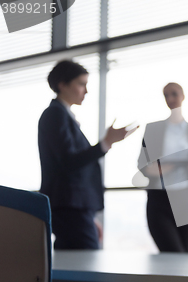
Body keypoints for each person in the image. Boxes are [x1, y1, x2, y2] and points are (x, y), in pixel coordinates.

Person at [38, 60, 138, 249]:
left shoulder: (63, 115)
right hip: (69, 206)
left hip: (74, 207)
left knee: (70, 260)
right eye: (81, 84)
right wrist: (106, 143)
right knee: (87, 258)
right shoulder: (55, 114)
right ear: (62, 84)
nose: (86, 90)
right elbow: (69, 162)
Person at [137, 82, 188, 253]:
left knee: (184, 253)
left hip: (187, 200)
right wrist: (156, 169)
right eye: (166, 95)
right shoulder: (153, 129)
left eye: (174, 94)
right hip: (160, 200)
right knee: (172, 253)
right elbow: (142, 165)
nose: (170, 98)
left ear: (183, 96)